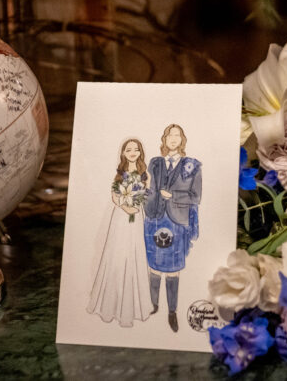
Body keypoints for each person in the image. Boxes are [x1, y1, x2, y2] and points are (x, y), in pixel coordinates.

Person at [86, 138, 153, 327]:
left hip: (136, 218)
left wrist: (135, 207)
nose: (132, 152)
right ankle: (110, 307)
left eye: (136, 149)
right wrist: (125, 207)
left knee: (134, 255)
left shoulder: (144, 173)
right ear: (123, 153)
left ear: (140, 152)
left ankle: (133, 309)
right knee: (116, 255)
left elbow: (145, 194)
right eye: (128, 149)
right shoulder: (120, 173)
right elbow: (115, 195)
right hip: (120, 218)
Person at [143, 124, 202, 333]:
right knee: (154, 265)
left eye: (177, 135)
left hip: (177, 221)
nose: (173, 139)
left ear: (182, 140)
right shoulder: (155, 163)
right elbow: (147, 189)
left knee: (174, 269)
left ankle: (172, 311)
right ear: (164, 140)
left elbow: (196, 197)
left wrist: (173, 196)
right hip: (154, 218)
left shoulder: (192, 166)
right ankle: (153, 305)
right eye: (170, 135)